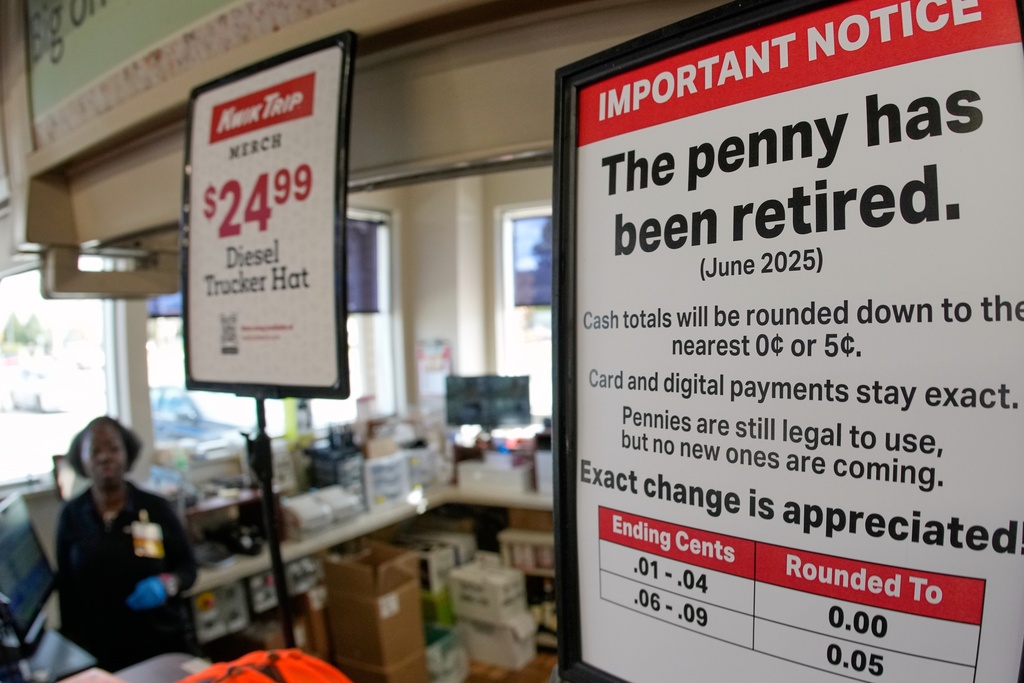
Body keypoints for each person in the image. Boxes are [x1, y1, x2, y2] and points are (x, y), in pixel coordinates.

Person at [55, 416, 198, 672]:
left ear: (127, 454)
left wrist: (166, 585)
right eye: (95, 451)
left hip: (161, 644)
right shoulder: (71, 516)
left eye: (113, 449)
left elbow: (188, 568)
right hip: (100, 653)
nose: (104, 457)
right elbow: (66, 592)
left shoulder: (155, 508)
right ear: (81, 459)